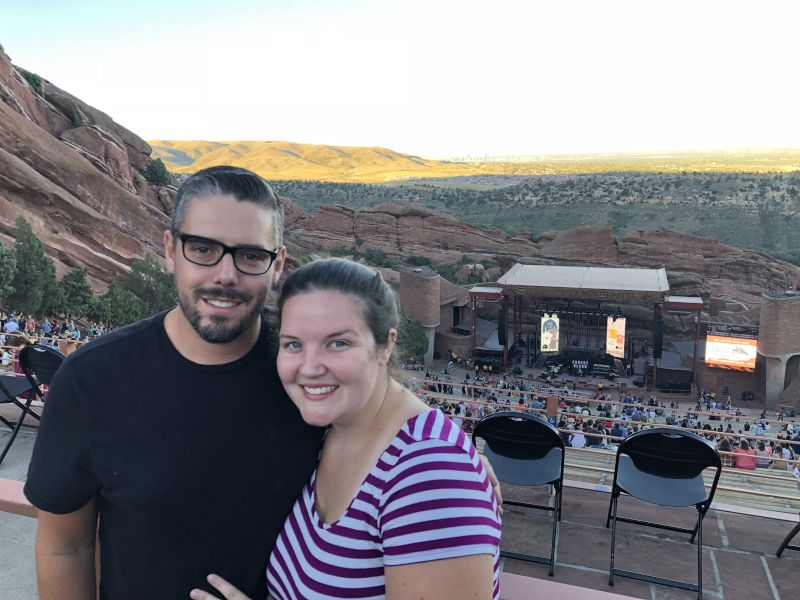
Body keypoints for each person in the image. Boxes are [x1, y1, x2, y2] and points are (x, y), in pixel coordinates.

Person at [24, 166, 324, 600]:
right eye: (202, 248)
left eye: (250, 256)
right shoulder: (93, 380)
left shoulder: (311, 377)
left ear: (277, 265)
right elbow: (65, 546)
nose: (225, 274)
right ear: (170, 250)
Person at [192, 259, 501, 600]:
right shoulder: (328, 426)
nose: (309, 368)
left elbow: (437, 490)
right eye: (293, 344)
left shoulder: (430, 472)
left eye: (337, 343)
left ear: (385, 345)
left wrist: (452, 468)